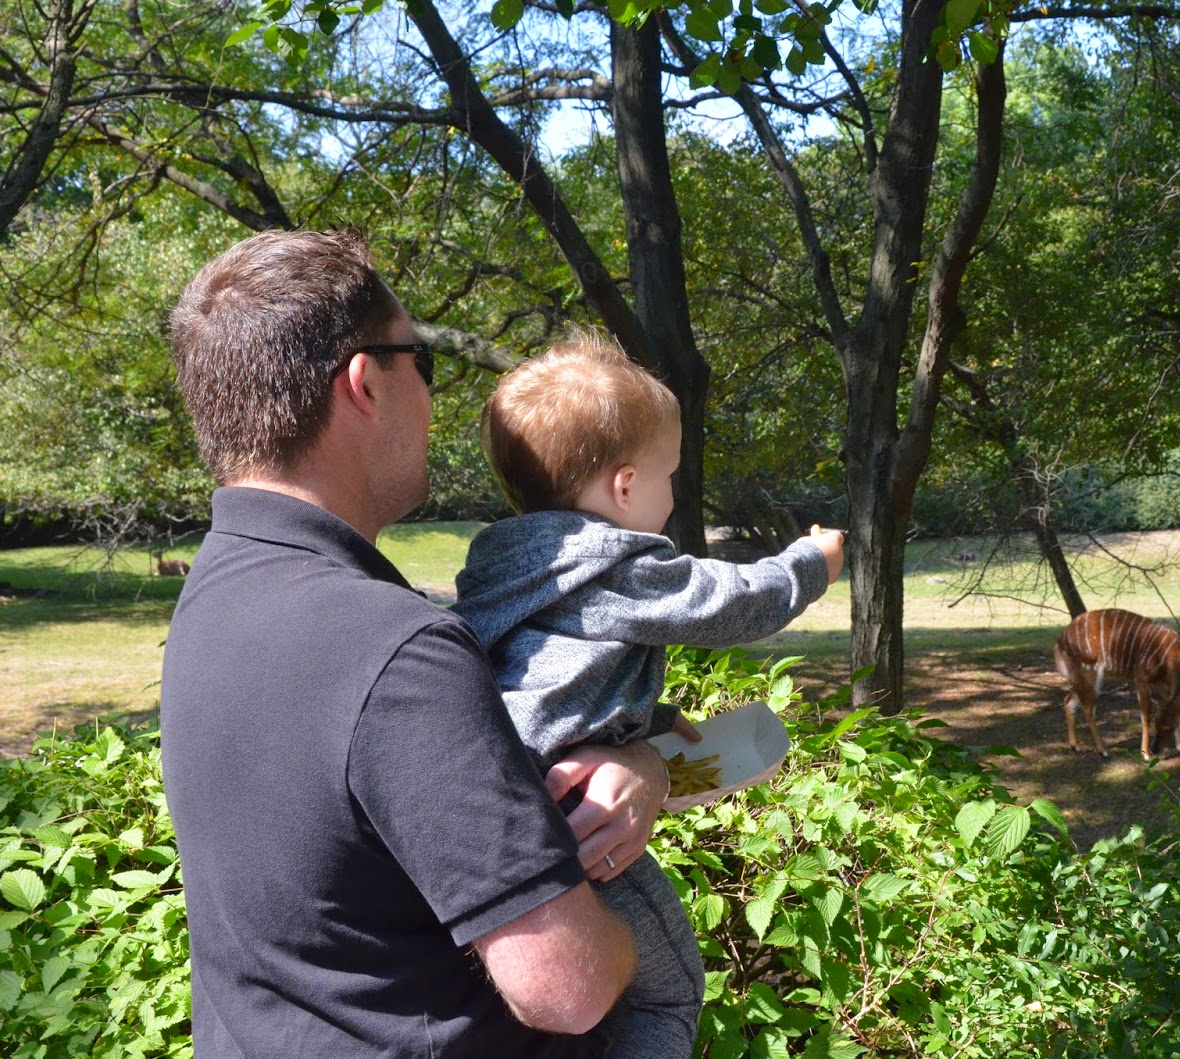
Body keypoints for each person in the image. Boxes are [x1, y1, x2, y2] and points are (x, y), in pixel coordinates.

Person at [159, 229, 666, 1057]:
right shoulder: (397, 651)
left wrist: (638, 763)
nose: (432, 398)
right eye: (420, 362)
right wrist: (646, 953)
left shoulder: (218, 591)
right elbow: (563, 986)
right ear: (364, 382)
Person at [452, 330, 846, 1056]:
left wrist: (647, 721)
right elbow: (731, 604)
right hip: (572, 816)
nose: (674, 493)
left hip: (497, 802)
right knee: (670, 992)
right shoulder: (613, 565)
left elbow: (545, 674)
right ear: (626, 486)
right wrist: (810, 563)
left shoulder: (504, 565)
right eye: (670, 474)